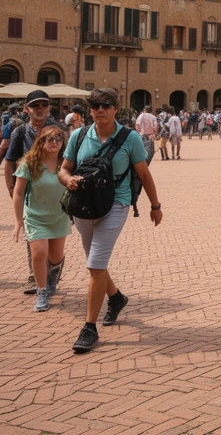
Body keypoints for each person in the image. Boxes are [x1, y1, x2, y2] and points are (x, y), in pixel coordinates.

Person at [60, 87, 163, 353]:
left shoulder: (130, 138)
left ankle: (89, 327)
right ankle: (116, 298)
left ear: (116, 108)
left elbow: (144, 174)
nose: (100, 110)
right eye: (95, 106)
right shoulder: (79, 135)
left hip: (117, 203)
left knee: (95, 265)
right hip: (84, 205)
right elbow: (64, 168)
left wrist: (155, 206)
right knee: (97, 265)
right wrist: (67, 180)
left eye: (105, 105)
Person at [5, 90, 63, 294]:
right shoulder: (20, 132)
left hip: (55, 192)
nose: (40, 109)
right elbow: (10, 161)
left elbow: (69, 159)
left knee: (55, 243)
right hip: (31, 193)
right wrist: (12, 189)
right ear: (26, 109)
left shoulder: (59, 130)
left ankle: (53, 272)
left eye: (44, 105)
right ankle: (35, 277)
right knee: (34, 237)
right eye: (35, 105)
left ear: (49, 108)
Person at [12, 125, 71, 312]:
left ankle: (52, 277)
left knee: (56, 257)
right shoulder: (30, 163)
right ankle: (42, 291)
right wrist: (19, 220)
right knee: (39, 254)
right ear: (41, 142)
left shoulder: (67, 163)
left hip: (59, 216)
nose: (54, 142)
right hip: (35, 217)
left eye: (58, 139)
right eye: (49, 139)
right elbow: (18, 193)